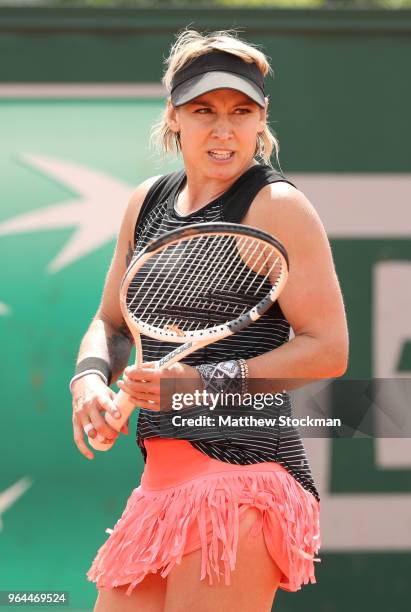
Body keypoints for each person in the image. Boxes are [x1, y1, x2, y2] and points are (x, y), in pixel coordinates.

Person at [71, 29, 349, 612]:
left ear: (260, 119)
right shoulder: (147, 202)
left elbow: (328, 348)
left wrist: (201, 383)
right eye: (204, 112)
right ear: (174, 117)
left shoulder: (276, 206)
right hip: (158, 485)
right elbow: (113, 324)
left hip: (245, 478)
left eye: (240, 112)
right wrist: (90, 381)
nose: (224, 130)